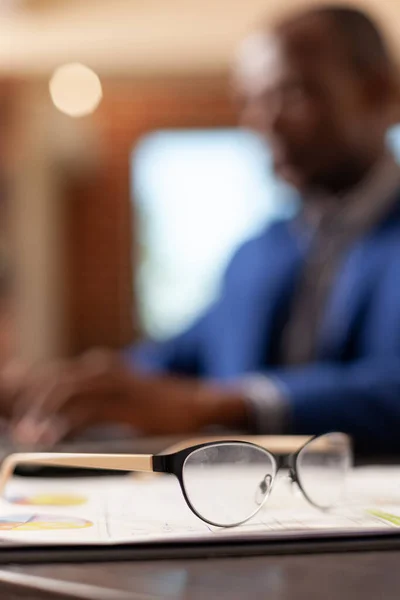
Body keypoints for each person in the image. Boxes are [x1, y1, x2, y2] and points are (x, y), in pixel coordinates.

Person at [11, 5, 400, 452]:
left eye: (291, 94)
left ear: (377, 92)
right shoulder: (259, 252)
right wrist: (57, 389)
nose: (263, 122)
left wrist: (220, 405)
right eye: (251, 101)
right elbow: (178, 359)